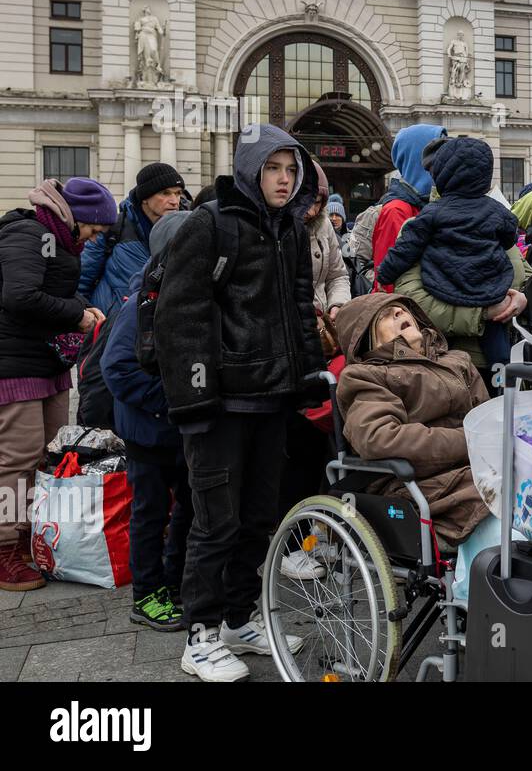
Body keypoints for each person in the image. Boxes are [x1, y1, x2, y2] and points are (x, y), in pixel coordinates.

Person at [155, 125, 325, 682]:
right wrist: (197, 400)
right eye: (274, 167)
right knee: (214, 524)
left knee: (258, 519)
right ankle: (199, 636)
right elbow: (180, 318)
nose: (284, 179)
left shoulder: (291, 230)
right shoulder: (211, 224)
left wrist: (304, 378)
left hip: (271, 401)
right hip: (220, 406)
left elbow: (301, 306)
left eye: (292, 169)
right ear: (252, 168)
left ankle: (236, 618)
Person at [334, 293, 503, 602]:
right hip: (419, 487)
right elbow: (379, 438)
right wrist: (469, 442)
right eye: (386, 315)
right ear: (367, 338)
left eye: (402, 308)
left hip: (475, 470)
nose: (400, 311)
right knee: (506, 514)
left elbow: (487, 419)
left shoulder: (457, 360)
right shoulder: (367, 376)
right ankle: (483, 600)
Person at [0, 177, 116, 591]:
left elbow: (47, 292)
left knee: (45, 452)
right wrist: (77, 315)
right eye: (93, 229)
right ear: (77, 217)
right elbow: (20, 296)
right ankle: (4, 549)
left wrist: (82, 308)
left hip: (46, 362)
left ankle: (31, 536)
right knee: (17, 458)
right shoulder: (28, 232)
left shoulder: (59, 238)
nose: (93, 238)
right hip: (13, 363)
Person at [101, 210, 194, 630]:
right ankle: (146, 594)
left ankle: (174, 581)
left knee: (189, 505)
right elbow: (116, 367)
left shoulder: (187, 293)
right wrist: (169, 402)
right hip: (147, 428)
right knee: (150, 511)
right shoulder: (142, 300)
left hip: (178, 427)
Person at [376, 137, 519, 374]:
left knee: (444, 354)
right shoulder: (497, 211)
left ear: (441, 176)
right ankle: (503, 382)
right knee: (500, 355)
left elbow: (406, 248)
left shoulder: (431, 214)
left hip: (444, 289)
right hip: (491, 294)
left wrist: (385, 273)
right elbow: (509, 238)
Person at [79, 162, 185, 314]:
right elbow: (82, 279)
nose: (175, 201)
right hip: (110, 327)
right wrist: (84, 318)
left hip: (161, 327)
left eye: (178, 193)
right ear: (145, 198)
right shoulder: (114, 227)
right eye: (165, 193)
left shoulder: (188, 228)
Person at [372, 124, 446, 292]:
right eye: (438, 152)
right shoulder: (397, 210)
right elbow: (387, 282)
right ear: (419, 159)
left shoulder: (428, 204)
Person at [304, 162, 350, 321]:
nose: (311, 211)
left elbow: (337, 276)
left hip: (323, 322)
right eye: (306, 201)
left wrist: (338, 304)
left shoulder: (324, 225)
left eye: (317, 202)